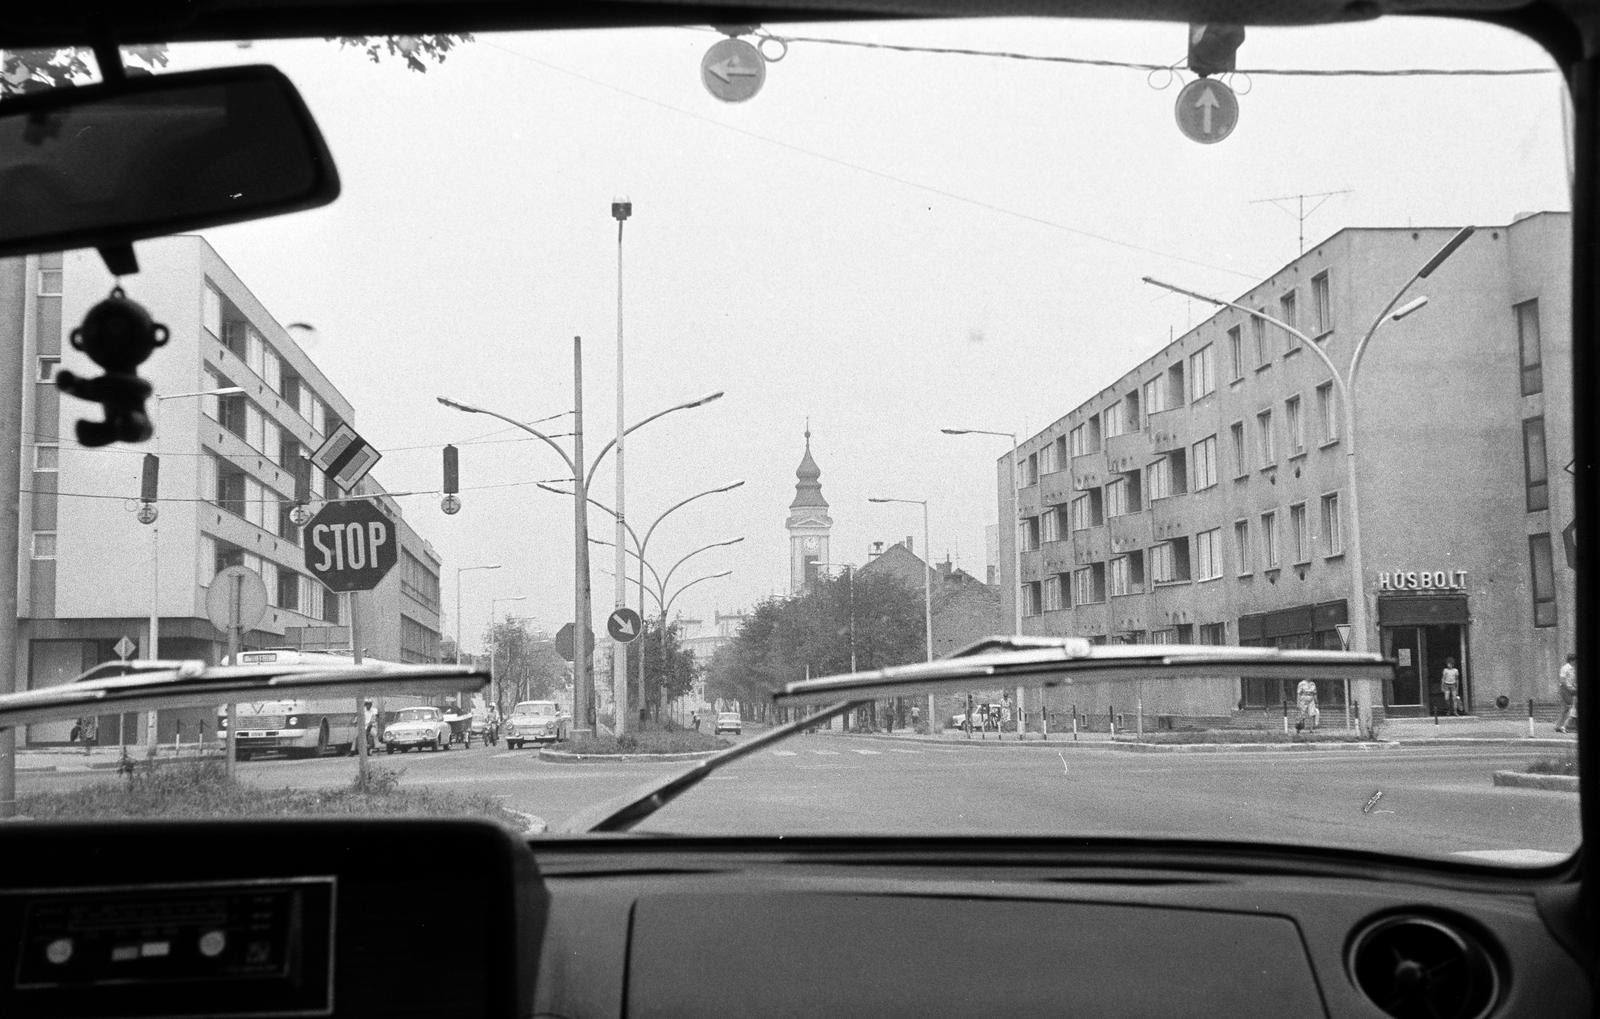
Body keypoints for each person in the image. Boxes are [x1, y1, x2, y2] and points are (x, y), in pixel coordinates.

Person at [1556, 653, 1578, 733]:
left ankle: (1558, 726)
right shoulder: (1565, 668)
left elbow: (1571, 680)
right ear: (1572, 660)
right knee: (1573, 706)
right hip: (1565, 689)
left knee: (1565, 708)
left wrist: (1574, 686)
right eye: (1575, 660)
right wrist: (1569, 688)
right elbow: (1562, 680)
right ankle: (1568, 726)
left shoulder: (1572, 669)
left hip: (1570, 689)